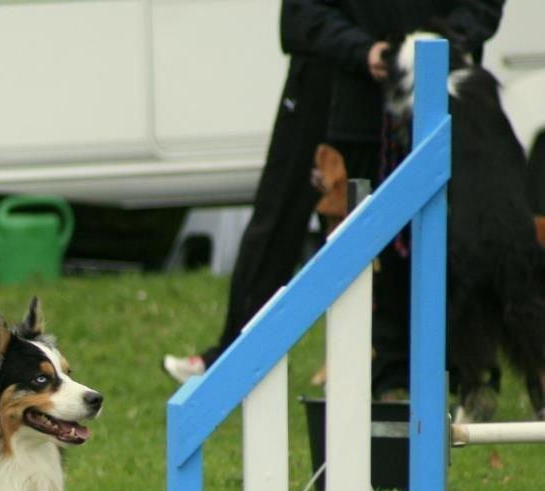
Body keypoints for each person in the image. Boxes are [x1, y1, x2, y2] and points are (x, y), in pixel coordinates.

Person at [279, 0, 506, 398]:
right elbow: (303, 13)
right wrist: (363, 51)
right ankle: (382, 376)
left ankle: (465, 370)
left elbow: (483, 6)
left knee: (459, 252)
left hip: (449, 112)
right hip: (358, 116)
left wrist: (441, 41)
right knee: (368, 260)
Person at [162, 2, 333, 383]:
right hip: (321, 73)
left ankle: (386, 360)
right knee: (275, 221)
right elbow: (298, 22)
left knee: (364, 224)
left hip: (390, 79)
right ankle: (232, 353)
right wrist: (362, 48)